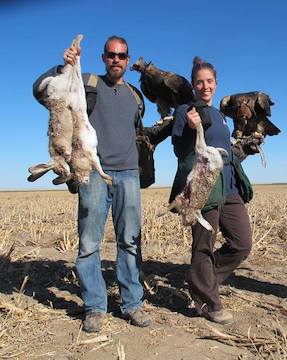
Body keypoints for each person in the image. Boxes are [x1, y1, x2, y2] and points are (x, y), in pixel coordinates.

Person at [33, 35, 151, 332]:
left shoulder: (136, 96)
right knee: (88, 244)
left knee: (130, 242)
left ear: (128, 59)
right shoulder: (85, 81)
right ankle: (95, 307)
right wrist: (64, 66)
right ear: (103, 57)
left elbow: (138, 132)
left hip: (128, 174)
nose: (116, 59)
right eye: (111, 54)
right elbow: (39, 90)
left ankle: (132, 303)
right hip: (92, 174)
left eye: (122, 55)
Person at [170, 56, 253, 325]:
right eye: (199, 82)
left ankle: (200, 279)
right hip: (205, 186)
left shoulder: (219, 114)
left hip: (228, 187)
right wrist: (192, 129)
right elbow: (180, 150)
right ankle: (207, 300)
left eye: (209, 81)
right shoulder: (186, 110)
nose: (205, 86)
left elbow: (224, 150)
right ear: (193, 85)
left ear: (216, 83)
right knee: (203, 244)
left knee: (242, 243)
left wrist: (244, 149)